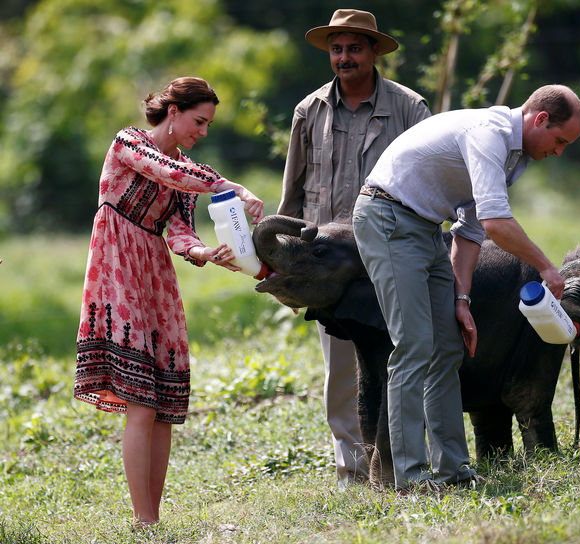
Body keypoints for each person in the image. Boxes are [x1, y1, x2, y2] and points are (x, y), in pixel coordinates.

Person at [352, 84, 580, 492]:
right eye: (560, 140)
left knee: (447, 346)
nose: (560, 151)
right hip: (386, 217)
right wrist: (546, 268)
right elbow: (497, 222)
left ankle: (454, 470)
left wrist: (461, 299)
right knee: (413, 346)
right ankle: (408, 478)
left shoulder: (515, 157)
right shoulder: (489, 134)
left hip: (425, 228)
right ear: (541, 119)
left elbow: (473, 229)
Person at [73, 77, 264, 527]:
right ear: (173, 112)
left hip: (154, 271)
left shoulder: (188, 171)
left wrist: (205, 254)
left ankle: (151, 517)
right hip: (116, 263)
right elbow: (165, 171)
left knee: (161, 401)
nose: (203, 131)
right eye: (199, 121)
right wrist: (230, 185)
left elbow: (179, 232)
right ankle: (144, 521)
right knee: (140, 398)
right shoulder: (129, 143)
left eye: (208, 124)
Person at [277, 8, 431, 487]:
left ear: (374, 52)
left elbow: (433, 184)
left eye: (354, 48)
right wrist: (285, 259)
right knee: (341, 368)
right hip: (329, 264)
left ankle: (403, 460)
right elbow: (292, 196)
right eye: (336, 49)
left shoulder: (410, 109)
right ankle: (353, 468)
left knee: (406, 355)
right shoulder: (309, 111)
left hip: (395, 252)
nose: (344, 57)